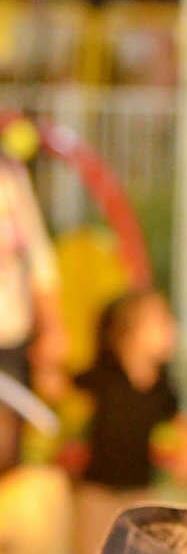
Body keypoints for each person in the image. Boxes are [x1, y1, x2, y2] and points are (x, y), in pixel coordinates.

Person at [71, 289, 187, 554]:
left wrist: (186, 456)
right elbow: (65, 396)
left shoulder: (163, 386)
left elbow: (183, 428)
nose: (171, 328)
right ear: (128, 333)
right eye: (161, 321)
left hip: (140, 492)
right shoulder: (101, 376)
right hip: (96, 494)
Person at [0, 118, 66, 475]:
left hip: (8, 336)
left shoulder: (9, 174)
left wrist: (52, 328)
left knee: (7, 450)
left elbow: (38, 259)